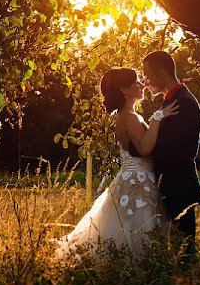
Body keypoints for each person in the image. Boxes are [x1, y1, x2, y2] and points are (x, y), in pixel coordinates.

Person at [55, 67, 178, 259]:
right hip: (138, 180)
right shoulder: (129, 117)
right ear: (123, 89)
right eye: (136, 82)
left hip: (133, 177)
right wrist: (157, 118)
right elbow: (145, 149)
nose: (142, 84)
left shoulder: (125, 116)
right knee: (138, 229)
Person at [141, 51, 200, 249]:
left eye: (147, 73)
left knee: (184, 250)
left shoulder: (183, 102)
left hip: (178, 186)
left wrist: (141, 150)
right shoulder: (171, 101)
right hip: (169, 186)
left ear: (161, 73)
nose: (145, 81)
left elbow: (177, 150)